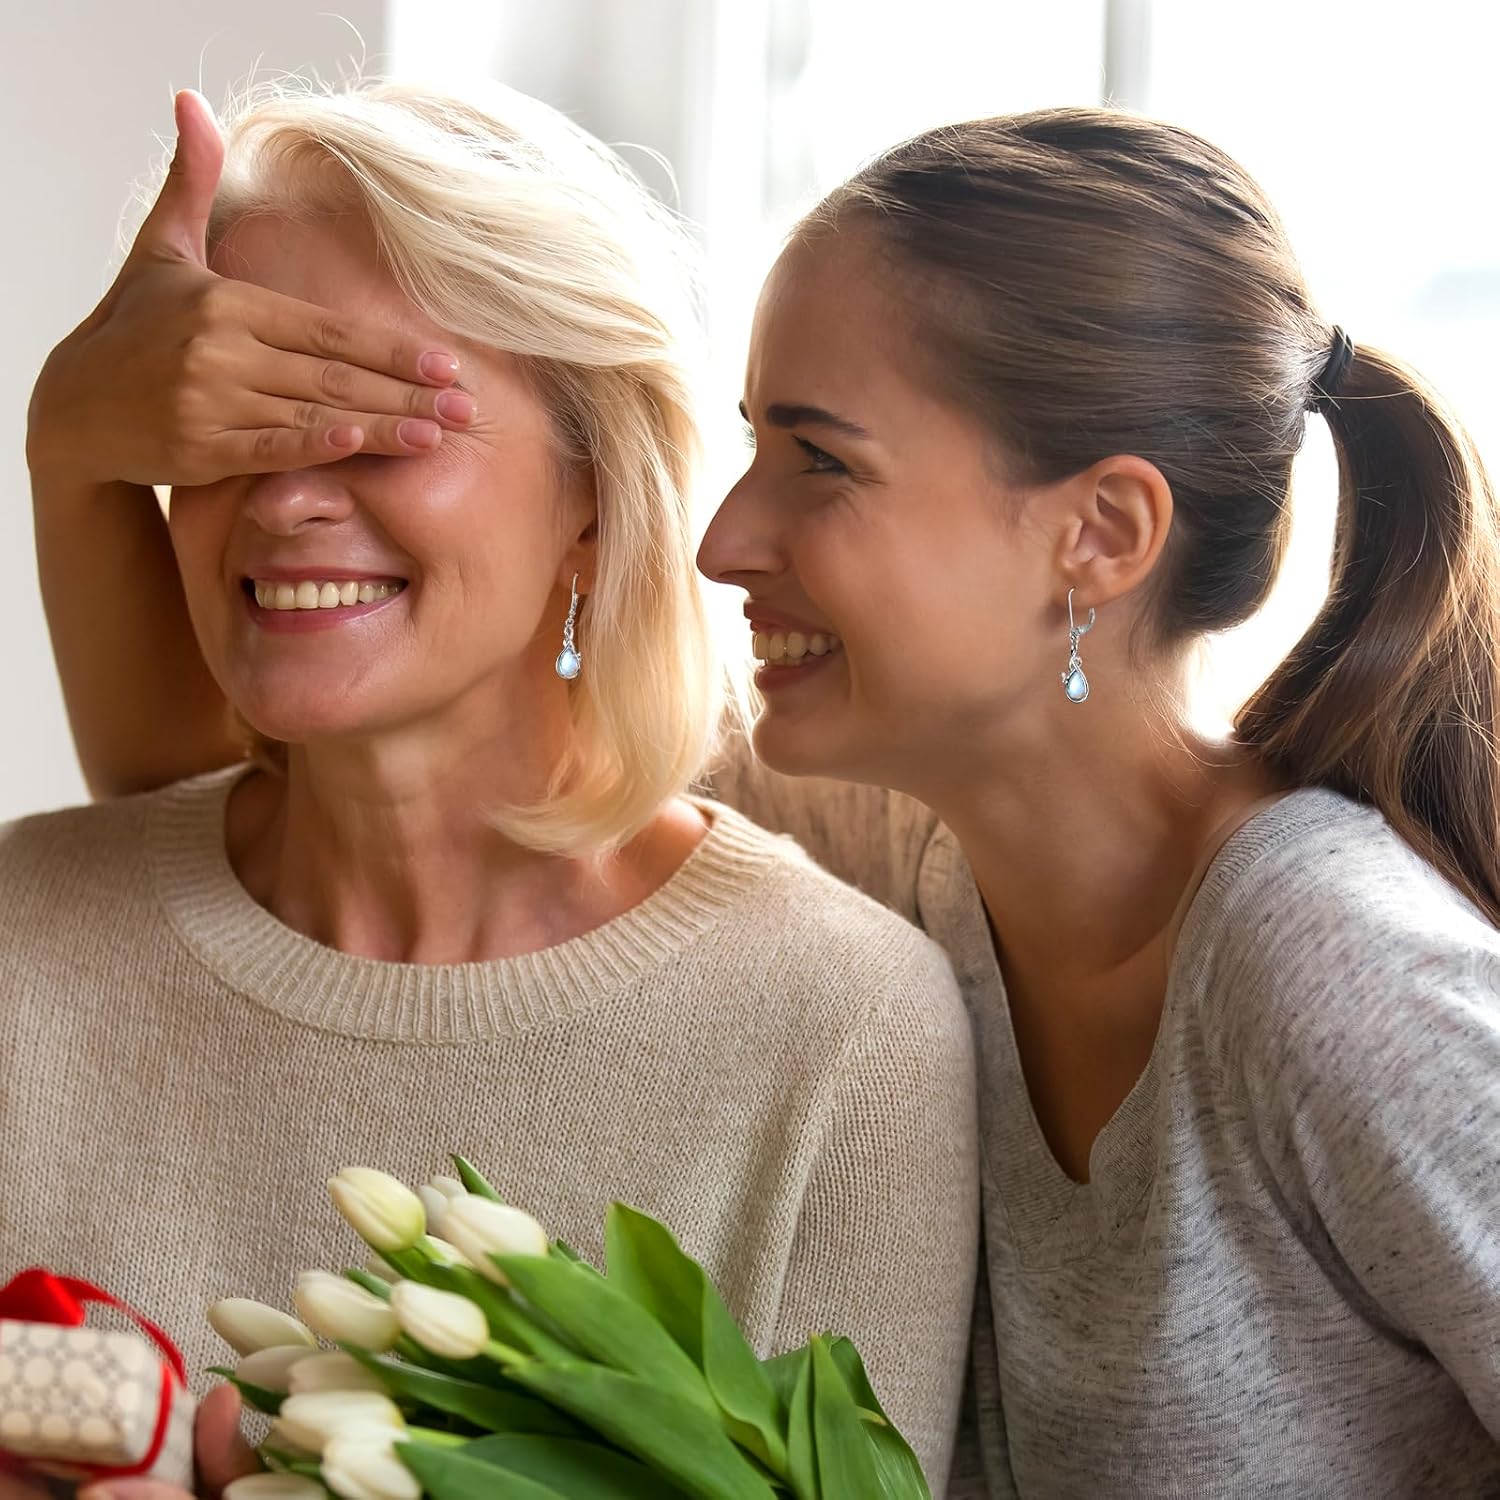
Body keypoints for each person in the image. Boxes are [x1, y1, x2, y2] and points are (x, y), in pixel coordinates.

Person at [32, 99, 1500, 1495]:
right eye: (748, 447)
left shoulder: (1327, 961)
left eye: (819, 461)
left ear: (1100, 534)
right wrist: (79, 449)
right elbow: (215, 821)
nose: (724, 534)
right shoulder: (925, 868)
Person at [3, 83, 980, 1496]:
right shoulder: (26, 937)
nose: (284, 499)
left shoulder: (839, 1034)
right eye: (235, 422)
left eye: (380, 416)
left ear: (597, 489)